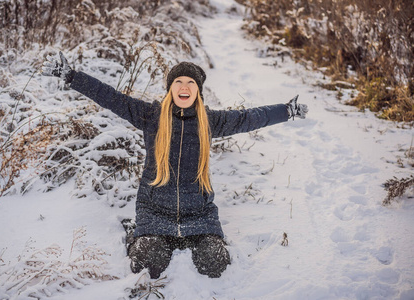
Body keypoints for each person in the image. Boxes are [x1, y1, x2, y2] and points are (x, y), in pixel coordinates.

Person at [41, 52, 308, 279]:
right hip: (155, 211)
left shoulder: (209, 121)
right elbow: (111, 98)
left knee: (215, 265)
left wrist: (286, 111)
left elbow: (249, 118)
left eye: (190, 82)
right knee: (149, 265)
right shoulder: (151, 116)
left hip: (199, 214)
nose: (184, 85)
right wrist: (71, 76)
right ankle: (139, 233)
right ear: (171, 88)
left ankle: (185, 240)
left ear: (197, 90)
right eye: (178, 81)